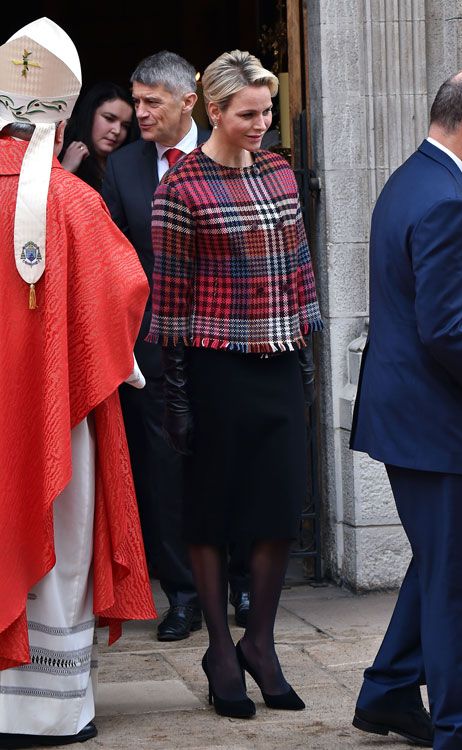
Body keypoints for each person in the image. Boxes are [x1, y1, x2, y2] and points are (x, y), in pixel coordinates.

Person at [146, 49, 322, 718]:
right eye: (247, 113)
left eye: (266, 111)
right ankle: (221, 649)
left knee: (279, 507)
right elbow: (168, 304)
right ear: (211, 111)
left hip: (278, 361)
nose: (260, 123)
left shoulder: (279, 171)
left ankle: (261, 644)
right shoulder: (180, 188)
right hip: (214, 367)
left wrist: (305, 355)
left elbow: (301, 269)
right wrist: (178, 398)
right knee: (213, 511)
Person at [0, 17, 156, 748]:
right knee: (55, 533)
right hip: (51, 416)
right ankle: (46, 711)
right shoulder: (73, 200)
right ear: (60, 114)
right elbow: (124, 290)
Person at [350, 69, 462, 750]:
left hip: (418, 423)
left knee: (444, 566)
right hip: (442, 428)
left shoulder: (409, 178)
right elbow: (445, 330)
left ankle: (386, 689)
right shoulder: (444, 198)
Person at [102, 50, 251, 641]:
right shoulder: (124, 169)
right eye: (135, 101)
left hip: (224, 345)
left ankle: (240, 582)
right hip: (154, 352)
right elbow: (114, 260)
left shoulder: (234, 155)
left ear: (188, 102)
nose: (138, 112)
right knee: (166, 479)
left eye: (149, 102)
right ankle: (183, 595)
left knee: (232, 468)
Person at [60, 81, 138, 191]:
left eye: (125, 126)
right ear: (90, 115)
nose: (117, 130)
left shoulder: (130, 168)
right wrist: (65, 170)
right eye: (109, 118)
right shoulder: (58, 153)